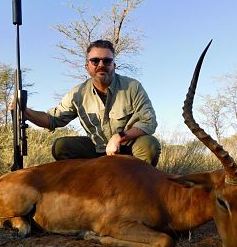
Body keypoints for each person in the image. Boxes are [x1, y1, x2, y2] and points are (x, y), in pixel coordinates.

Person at [11, 40, 161, 166]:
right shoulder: (78, 93)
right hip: (97, 150)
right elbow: (52, 120)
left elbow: (148, 121)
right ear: (87, 66)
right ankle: (88, 185)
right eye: (95, 61)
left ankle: (136, 189)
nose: (101, 64)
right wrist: (25, 111)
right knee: (61, 147)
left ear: (114, 65)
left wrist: (118, 137)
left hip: (129, 148)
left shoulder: (133, 86)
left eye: (107, 61)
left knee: (149, 146)